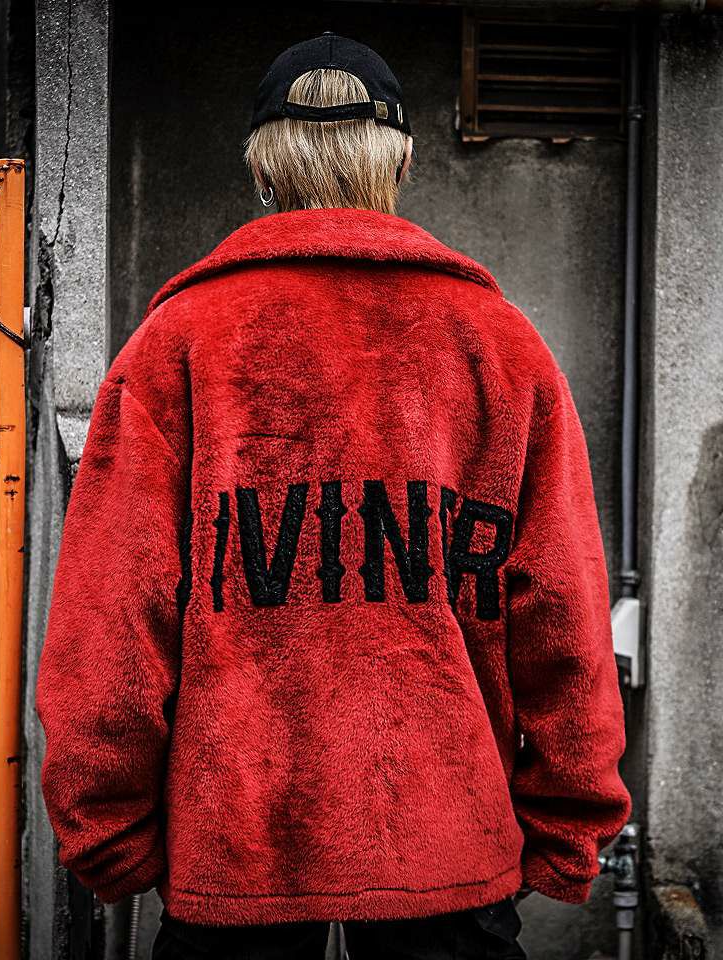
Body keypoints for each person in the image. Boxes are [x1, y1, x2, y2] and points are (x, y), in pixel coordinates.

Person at [36, 33, 631, 960]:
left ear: (261, 169)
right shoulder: (498, 344)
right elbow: (563, 609)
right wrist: (569, 821)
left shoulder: (178, 343)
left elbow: (109, 617)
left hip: (237, 845)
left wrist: (107, 827)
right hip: (445, 836)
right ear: (403, 160)